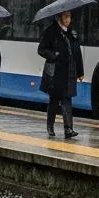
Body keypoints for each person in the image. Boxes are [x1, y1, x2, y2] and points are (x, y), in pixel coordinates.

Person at [38, 10, 84, 139]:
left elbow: (77, 53)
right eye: (66, 17)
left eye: (70, 16)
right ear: (59, 18)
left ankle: (68, 129)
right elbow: (41, 49)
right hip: (56, 72)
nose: (68, 19)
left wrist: (80, 72)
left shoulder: (72, 32)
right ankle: (50, 126)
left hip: (69, 71)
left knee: (67, 99)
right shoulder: (51, 31)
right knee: (54, 100)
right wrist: (54, 55)